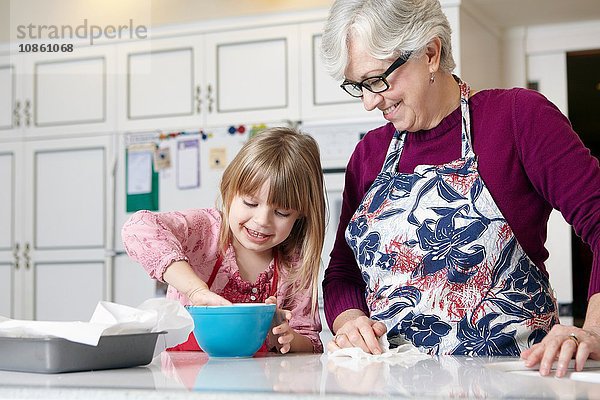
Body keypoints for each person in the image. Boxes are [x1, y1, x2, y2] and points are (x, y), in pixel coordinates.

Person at [320, 0, 600, 377]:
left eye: (376, 80)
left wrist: (594, 331)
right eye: (358, 86)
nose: (370, 102)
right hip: (392, 385)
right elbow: (342, 271)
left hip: (517, 382)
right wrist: (350, 319)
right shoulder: (369, 153)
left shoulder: (518, 119)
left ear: (431, 53)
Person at [122, 127, 326, 354]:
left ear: (301, 215)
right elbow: (138, 227)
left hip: (258, 382)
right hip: (183, 380)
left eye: (282, 213)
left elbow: (312, 344)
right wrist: (196, 291)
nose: (261, 221)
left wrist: (283, 336)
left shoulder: (295, 263)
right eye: (250, 203)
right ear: (229, 192)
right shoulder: (205, 230)